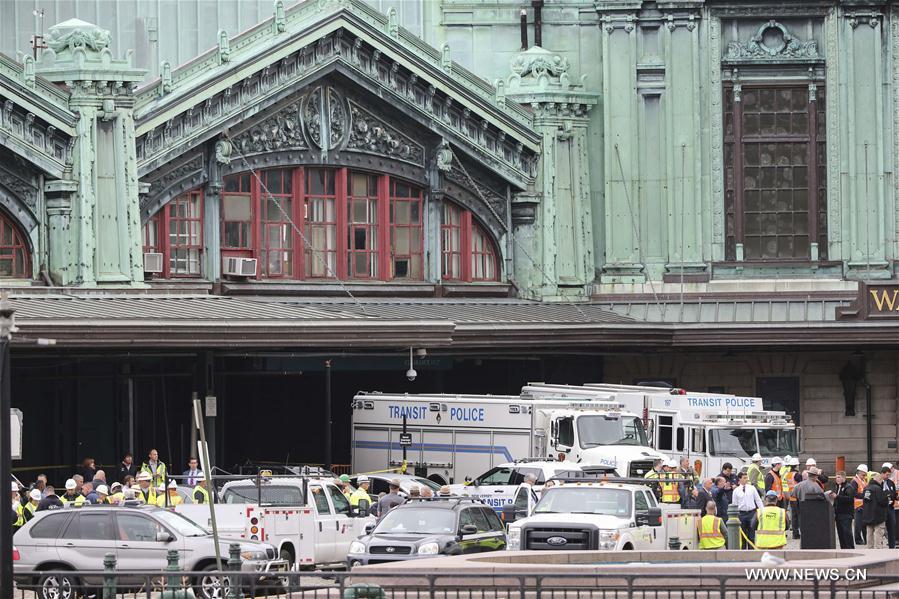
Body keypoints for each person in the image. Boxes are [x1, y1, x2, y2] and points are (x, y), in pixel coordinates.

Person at [732, 471, 763, 549]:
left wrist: (762, 511)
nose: (746, 479)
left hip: (751, 513)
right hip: (741, 514)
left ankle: (751, 550)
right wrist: (735, 516)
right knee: (742, 534)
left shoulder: (752, 488)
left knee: (751, 533)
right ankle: (743, 551)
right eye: (744, 478)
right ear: (739, 479)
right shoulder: (736, 491)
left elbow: (758, 500)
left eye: (747, 477)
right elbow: (734, 504)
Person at [862, 471, 889, 549]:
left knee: (869, 533)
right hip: (878, 516)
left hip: (868, 515)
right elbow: (882, 502)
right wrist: (886, 496)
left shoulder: (866, 488)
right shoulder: (878, 489)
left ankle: (870, 549)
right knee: (878, 533)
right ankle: (878, 549)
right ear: (879, 480)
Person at [830, 471, 855, 549]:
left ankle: (850, 549)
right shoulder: (837, 487)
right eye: (836, 477)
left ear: (844, 478)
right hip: (838, 514)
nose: (837, 479)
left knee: (847, 533)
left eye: (839, 477)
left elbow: (850, 499)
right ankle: (843, 549)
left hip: (846, 514)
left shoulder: (848, 487)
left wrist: (837, 497)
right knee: (840, 533)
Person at [851, 464, 869, 546]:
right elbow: (854, 493)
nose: (864, 476)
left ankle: (865, 539)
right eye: (863, 474)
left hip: (864, 505)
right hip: (857, 506)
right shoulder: (854, 481)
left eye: (865, 475)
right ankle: (858, 540)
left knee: (864, 524)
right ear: (859, 472)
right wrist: (864, 496)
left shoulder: (863, 481)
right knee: (858, 524)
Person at [784, 456, 801, 539]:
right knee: (799, 516)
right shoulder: (797, 475)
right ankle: (799, 532)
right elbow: (800, 485)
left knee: (794, 516)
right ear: (796, 465)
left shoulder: (788, 474)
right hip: (798, 497)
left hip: (791, 497)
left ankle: (795, 533)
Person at [881, 464, 896, 548]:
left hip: (890, 508)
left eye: (889, 475)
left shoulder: (891, 483)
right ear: (882, 474)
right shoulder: (878, 482)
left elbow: (893, 493)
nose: (888, 476)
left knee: (891, 527)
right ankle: (880, 546)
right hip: (882, 508)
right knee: (881, 528)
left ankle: (892, 545)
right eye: (887, 475)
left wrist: (895, 497)